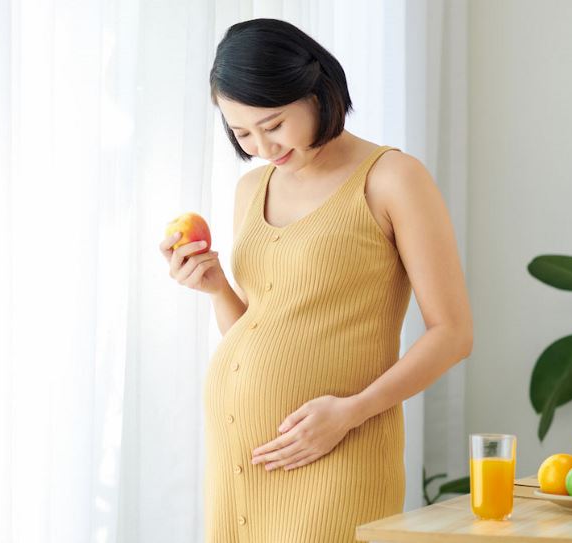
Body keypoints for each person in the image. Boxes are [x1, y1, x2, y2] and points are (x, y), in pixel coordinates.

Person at [158, 18, 472, 543]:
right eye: (241, 133)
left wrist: (350, 413)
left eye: (273, 123)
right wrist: (216, 288)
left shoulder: (392, 178)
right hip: (240, 459)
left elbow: (453, 333)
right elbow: (263, 326)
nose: (260, 145)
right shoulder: (252, 188)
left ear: (316, 89)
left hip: (339, 450)